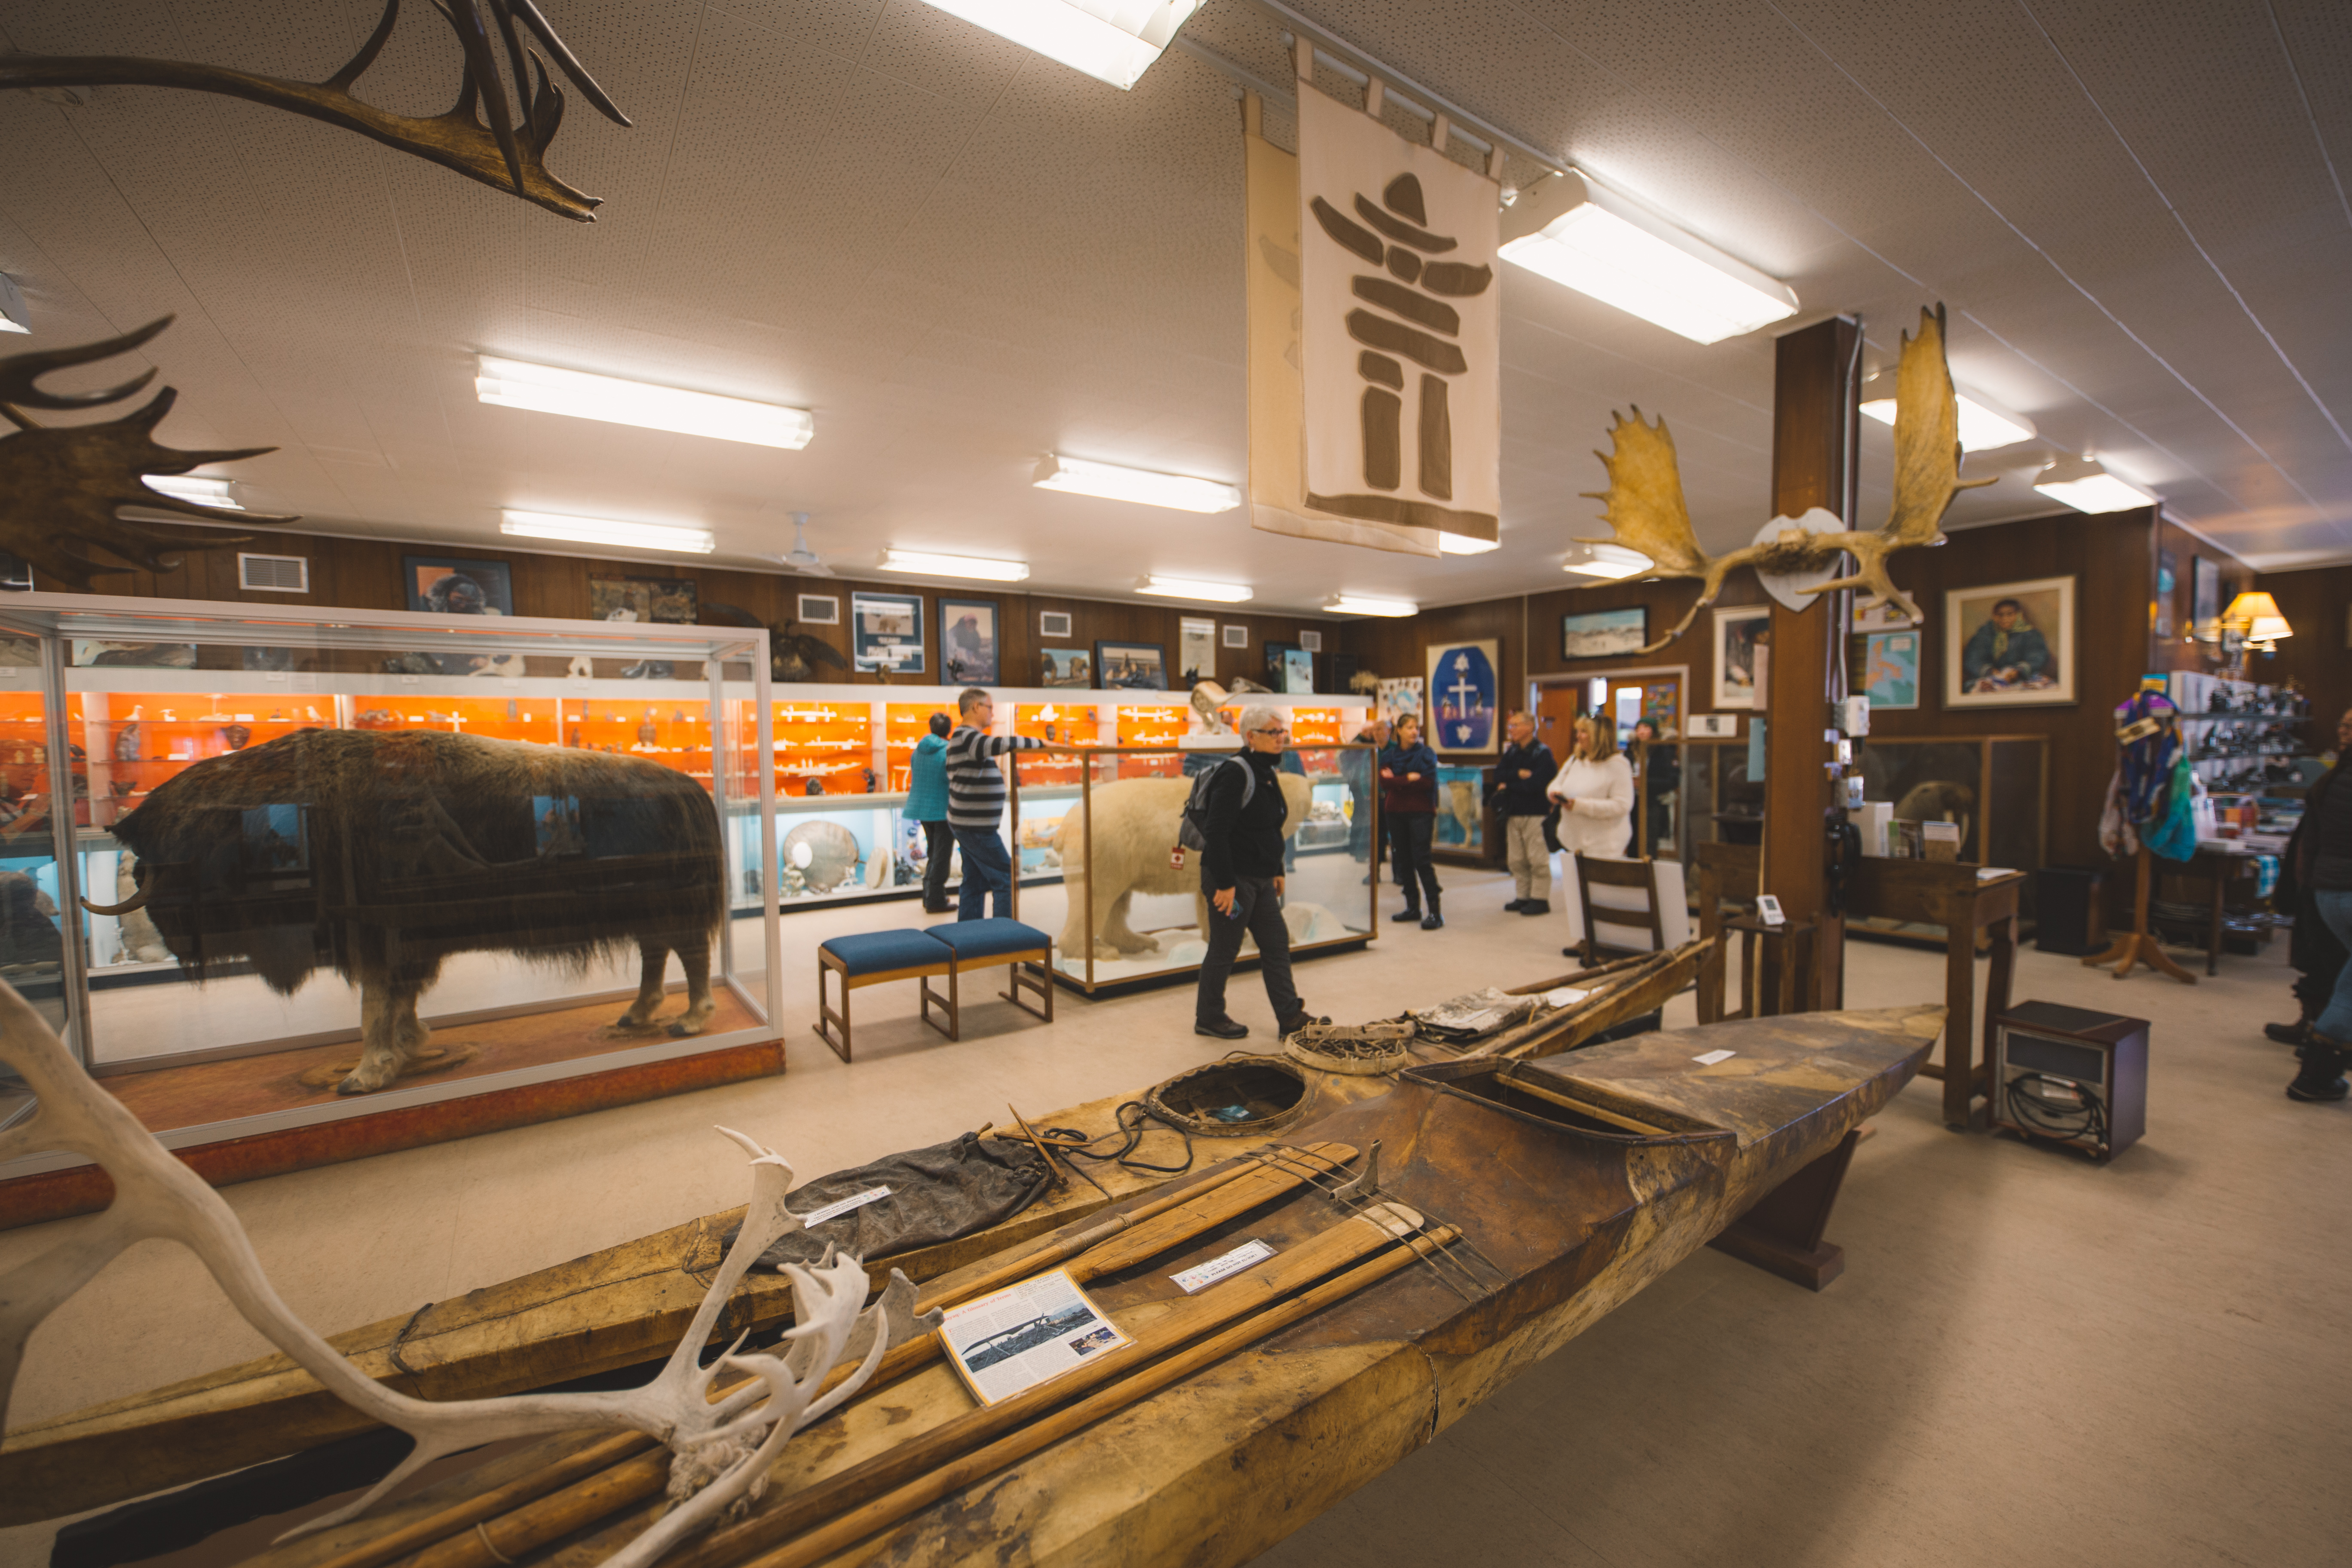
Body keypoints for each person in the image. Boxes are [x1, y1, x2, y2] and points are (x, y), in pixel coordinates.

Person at [1194, 706, 1327, 1040]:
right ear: (1251, 737)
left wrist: (1277, 869)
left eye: (1283, 732)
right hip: (1232, 884)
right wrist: (1225, 885)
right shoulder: (1235, 773)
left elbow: (1270, 827)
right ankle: (1209, 1017)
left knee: (1276, 943)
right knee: (1226, 945)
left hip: (1261, 882)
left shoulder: (1266, 772)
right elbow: (1217, 831)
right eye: (1273, 732)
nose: (1281, 738)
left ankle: (1290, 1017)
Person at [2271, 705, 2352, 1054]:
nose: (2344, 732)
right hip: (2337, 886)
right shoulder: (2338, 776)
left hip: (2327, 886)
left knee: (2340, 971)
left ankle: (2323, 1043)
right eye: (2344, 725)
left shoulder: (2336, 776)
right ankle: (2325, 1044)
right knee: (2338, 972)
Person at [945, 687, 1046, 921]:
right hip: (974, 827)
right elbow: (1002, 744)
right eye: (989, 707)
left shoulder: (967, 738)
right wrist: (1042, 744)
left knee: (974, 881)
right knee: (1006, 879)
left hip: (969, 824)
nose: (993, 713)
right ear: (975, 707)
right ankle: (1004, 941)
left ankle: (971, 938)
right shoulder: (968, 737)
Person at [1547, 714, 1635, 956]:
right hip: (1574, 839)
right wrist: (1555, 794)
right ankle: (1585, 939)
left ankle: (1607, 943)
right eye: (1578, 732)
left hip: (1604, 842)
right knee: (1578, 895)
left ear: (1599, 736)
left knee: (1603, 896)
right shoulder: (1576, 759)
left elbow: (1622, 805)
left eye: (1584, 732)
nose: (1579, 737)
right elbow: (1556, 783)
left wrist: (1580, 805)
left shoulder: (1618, 765)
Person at [1488, 711, 1556, 915]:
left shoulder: (1543, 753)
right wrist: (1518, 775)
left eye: (1515, 726)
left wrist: (1508, 786)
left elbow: (1538, 784)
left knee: (1537, 859)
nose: (1511, 730)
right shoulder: (1512, 752)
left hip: (1535, 813)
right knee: (1517, 859)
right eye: (1510, 726)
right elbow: (1498, 775)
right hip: (1513, 812)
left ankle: (1540, 899)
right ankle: (1523, 896)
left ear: (1529, 727)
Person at [1380, 714, 1443, 928]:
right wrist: (1408, 778)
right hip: (1395, 812)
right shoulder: (1388, 756)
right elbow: (1383, 783)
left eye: (1416, 728)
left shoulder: (1427, 754)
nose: (1414, 732)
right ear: (1398, 730)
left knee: (1422, 859)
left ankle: (1435, 912)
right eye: (1409, 727)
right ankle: (1412, 907)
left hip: (1420, 812)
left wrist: (1397, 780)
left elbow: (1427, 782)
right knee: (1403, 859)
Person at [904, 711, 954, 914]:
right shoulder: (948, 751)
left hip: (922, 810)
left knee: (934, 853)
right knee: (942, 855)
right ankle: (935, 900)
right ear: (949, 730)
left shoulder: (917, 752)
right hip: (942, 809)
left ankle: (930, 895)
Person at [1960, 598, 2051, 691]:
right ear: (1995, 616)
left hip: (2022, 678)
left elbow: (2037, 657)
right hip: (1990, 678)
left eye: (2010, 614)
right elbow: (1973, 659)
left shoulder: (2031, 634)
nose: (2005, 619)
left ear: (2019, 615)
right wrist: (1989, 671)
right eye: (2000, 615)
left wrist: (2019, 671)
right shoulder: (1985, 634)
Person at [1342, 718, 1390, 882]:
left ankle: (1365, 853)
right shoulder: (1362, 746)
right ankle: (1361, 853)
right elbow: (1361, 769)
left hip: (1382, 794)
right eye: (1372, 731)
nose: (1374, 734)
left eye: (1377, 730)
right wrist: (1363, 787)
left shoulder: (1379, 748)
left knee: (1377, 827)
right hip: (1366, 791)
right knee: (1368, 825)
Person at [1630, 718, 1680, 858]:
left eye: (1646, 727)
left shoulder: (1663, 751)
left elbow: (1672, 780)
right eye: (1639, 728)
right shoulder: (1631, 750)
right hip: (1632, 801)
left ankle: (1648, 874)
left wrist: (1645, 783)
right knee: (1632, 840)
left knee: (1649, 842)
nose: (1642, 731)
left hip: (1653, 803)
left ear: (1654, 731)